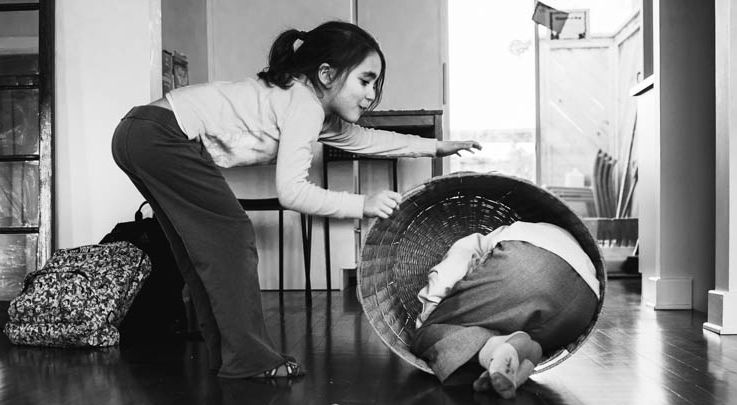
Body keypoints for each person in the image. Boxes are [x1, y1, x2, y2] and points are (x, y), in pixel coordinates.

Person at [112, 21, 480, 381]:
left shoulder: (303, 101)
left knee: (199, 249)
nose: (371, 94)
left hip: (138, 132)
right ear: (325, 73)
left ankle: (229, 357)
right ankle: (248, 359)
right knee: (231, 234)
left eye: (375, 84)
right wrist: (362, 204)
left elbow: (367, 140)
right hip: (162, 135)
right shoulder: (303, 105)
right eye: (365, 80)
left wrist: (436, 146)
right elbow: (292, 191)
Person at [411, 221, 600, 399]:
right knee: (502, 325)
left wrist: (428, 318)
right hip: (583, 306)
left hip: (528, 264)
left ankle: (493, 348)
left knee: (426, 336)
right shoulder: (533, 229)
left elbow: (444, 275)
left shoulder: (469, 246)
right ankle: (522, 355)